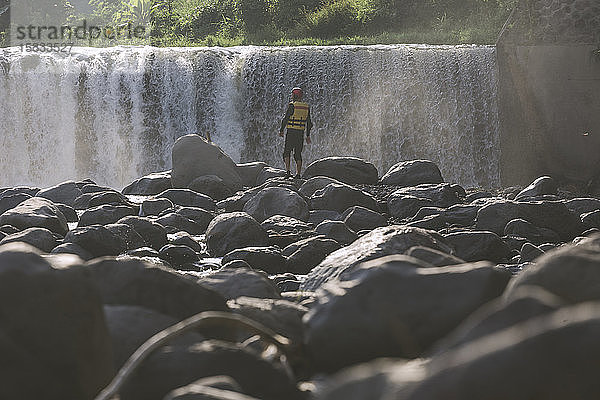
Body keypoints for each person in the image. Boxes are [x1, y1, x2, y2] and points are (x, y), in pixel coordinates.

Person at [279, 87, 312, 179]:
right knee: (297, 153)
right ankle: (298, 174)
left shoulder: (292, 105)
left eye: (292, 95)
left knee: (287, 152)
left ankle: (288, 172)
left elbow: (285, 119)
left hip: (291, 132)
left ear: (295, 95)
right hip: (300, 133)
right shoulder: (306, 107)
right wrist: (308, 135)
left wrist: (281, 130)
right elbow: (309, 122)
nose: (291, 96)